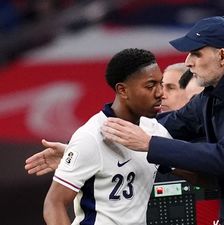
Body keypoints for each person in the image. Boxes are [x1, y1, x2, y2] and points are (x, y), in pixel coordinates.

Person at [101, 16, 224, 225]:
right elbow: (165, 125)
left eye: (196, 53)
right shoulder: (211, 96)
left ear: (222, 56)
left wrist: (148, 144)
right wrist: (91, 141)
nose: (188, 62)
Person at [40, 48, 174, 225]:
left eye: (161, 84)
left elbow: (194, 175)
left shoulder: (154, 131)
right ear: (122, 90)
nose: (160, 93)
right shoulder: (90, 137)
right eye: (150, 86)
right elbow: (54, 203)